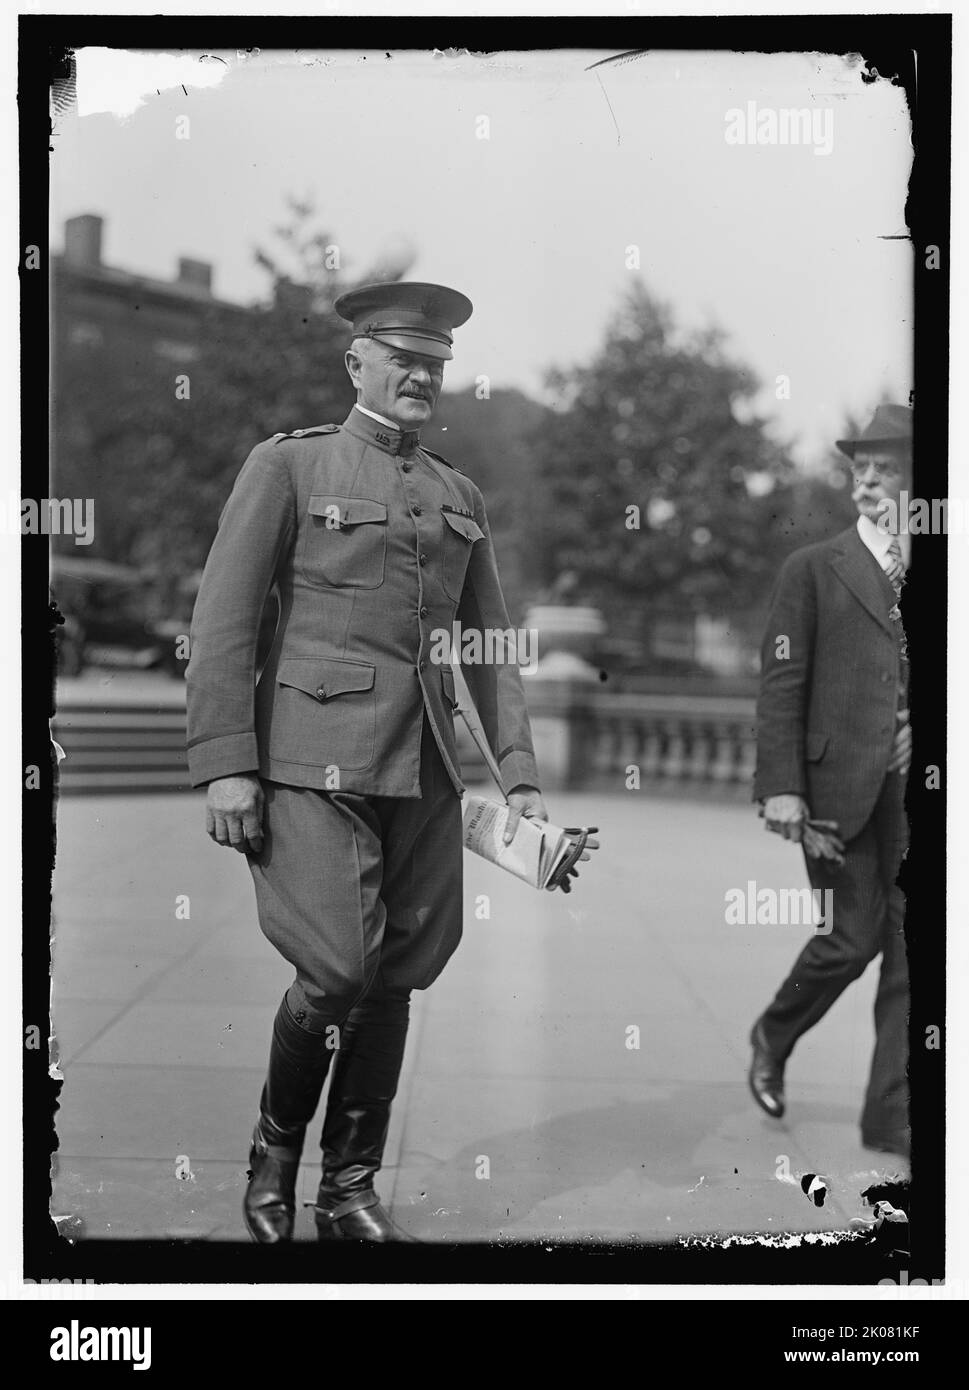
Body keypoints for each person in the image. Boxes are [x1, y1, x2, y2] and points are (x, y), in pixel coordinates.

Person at [185, 282, 552, 1241]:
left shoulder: (456, 494)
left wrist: (519, 777)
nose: (422, 374)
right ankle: (273, 1153)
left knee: (396, 973)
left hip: (424, 768)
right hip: (311, 761)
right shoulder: (287, 467)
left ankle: (347, 1186)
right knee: (337, 967)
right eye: (402, 357)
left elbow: (488, 645)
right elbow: (222, 620)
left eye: (435, 362)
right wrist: (226, 760)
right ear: (356, 362)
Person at [749, 403, 913, 1159]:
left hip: (920, 797)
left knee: (914, 958)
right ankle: (772, 1033)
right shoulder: (812, 569)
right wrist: (780, 785)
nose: (869, 481)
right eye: (861, 469)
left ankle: (891, 1122)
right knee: (850, 941)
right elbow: (783, 683)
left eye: (887, 468)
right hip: (832, 791)